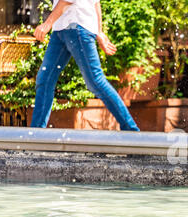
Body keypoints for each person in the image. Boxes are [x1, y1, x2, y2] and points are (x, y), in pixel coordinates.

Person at [31, 0, 140, 131]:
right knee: (45, 80)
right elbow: (95, 2)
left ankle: (131, 130)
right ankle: (36, 133)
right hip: (60, 29)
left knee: (95, 81)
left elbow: (67, 1)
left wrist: (47, 24)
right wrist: (99, 32)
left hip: (77, 28)